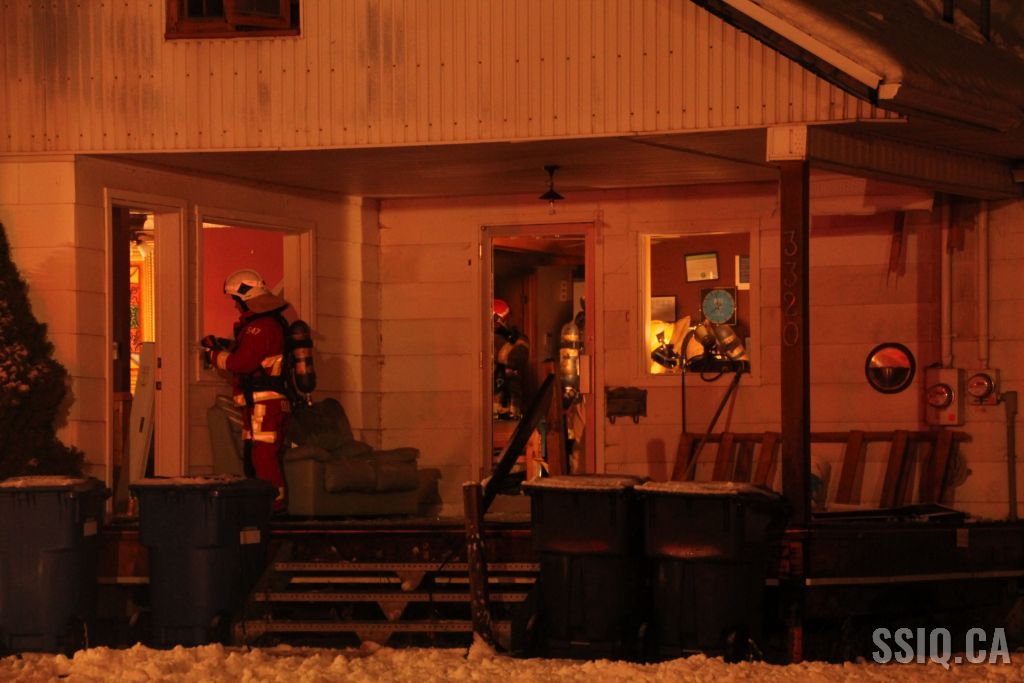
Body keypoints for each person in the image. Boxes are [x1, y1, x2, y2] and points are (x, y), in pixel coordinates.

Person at [201, 269, 291, 512]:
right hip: (259, 403)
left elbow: (242, 363)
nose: (235, 306)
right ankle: (261, 504)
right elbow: (250, 353)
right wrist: (224, 345)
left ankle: (273, 506)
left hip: (264, 404)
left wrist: (213, 356)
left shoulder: (259, 327)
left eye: (236, 300)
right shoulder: (264, 326)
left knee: (262, 456)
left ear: (245, 298)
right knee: (255, 455)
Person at [492, 298, 530, 419]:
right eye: (505, 320)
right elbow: (516, 358)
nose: (508, 323)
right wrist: (521, 340)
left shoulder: (502, 338)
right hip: (496, 412)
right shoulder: (493, 340)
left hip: (505, 410)